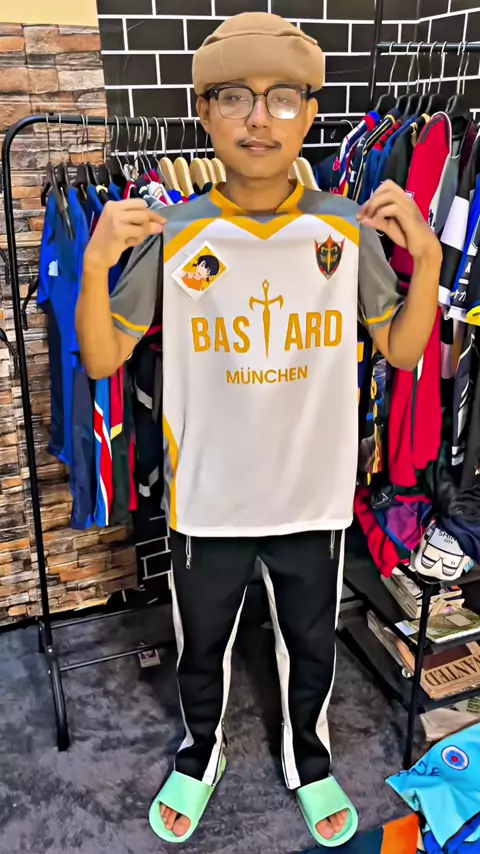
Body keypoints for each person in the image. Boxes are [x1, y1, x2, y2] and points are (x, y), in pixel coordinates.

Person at [76, 12, 442, 847]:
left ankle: (308, 759)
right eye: (234, 97)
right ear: (204, 112)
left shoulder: (344, 228)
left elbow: (403, 347)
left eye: (282, 98)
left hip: (311, 496)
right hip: (208, 499)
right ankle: (199, 751)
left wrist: (426, 256)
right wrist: (96, 264)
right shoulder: (174, 233)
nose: (258, 118)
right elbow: (101, 357)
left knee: (312, 645)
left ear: (309, 113)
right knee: (200, 645)